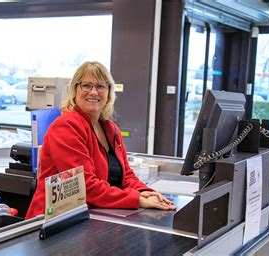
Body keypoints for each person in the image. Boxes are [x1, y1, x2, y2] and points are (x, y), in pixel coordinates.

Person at [25, 61, 175, 219]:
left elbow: (127, 176)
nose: (94, 92)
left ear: (109, 92)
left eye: (101, 86)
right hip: (52, 223)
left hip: (91, 217)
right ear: (75, 90)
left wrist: (145, 192)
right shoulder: (66, 127)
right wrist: (136, 199)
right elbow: (85, 186)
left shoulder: (111, 129)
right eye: (86, 85)